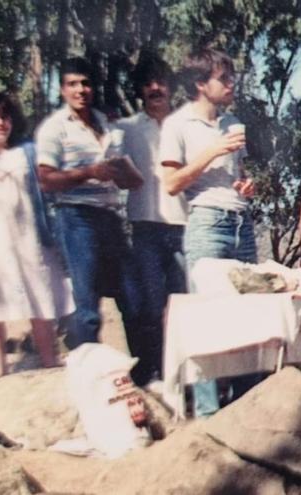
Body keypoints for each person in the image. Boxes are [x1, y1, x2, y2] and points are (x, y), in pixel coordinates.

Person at [159, 48, 254, 417]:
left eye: (232, 77)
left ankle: (245, 408)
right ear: (200, 84)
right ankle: (208, 414)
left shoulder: (233, 122)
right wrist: (212, 151)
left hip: (241, 223)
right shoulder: (177, 125)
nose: (232, 84)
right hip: (206, 223)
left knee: (248, 316)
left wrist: (246, 186)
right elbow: (171, 183)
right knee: (206, 319)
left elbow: (237, 175)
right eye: (223, 79)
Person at [35, 57, 144, 353]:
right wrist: (88, 173)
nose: (80, 90)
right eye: (72, 84)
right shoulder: (54, 128)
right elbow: (44, 179)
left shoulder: (106, 123)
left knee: (132, 299)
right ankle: (89, 376)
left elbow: (126, 180)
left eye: (85, 83)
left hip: (110, 217)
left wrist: (126, 174)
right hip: (75, 218)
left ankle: (144, 378)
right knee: (88, 307)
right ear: (62, 90)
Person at [0, 93, 72, 378]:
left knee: (39, 296)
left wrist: (53, 237)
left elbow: (43, 197)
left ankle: (49, 360)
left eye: (5, 117)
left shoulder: (28, 151)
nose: (0, 123)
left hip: (27, 238)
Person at [116, 54, 188, 386]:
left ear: (171, 87)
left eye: (161, 82)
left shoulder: (186, 125)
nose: (155, 88)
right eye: (148, 83)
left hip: (185, 227)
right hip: (144, 228)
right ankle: (155, 376)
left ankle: (185, 379)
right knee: (150, 307)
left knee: (185, 307)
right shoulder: (126, 129)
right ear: (140, 90)